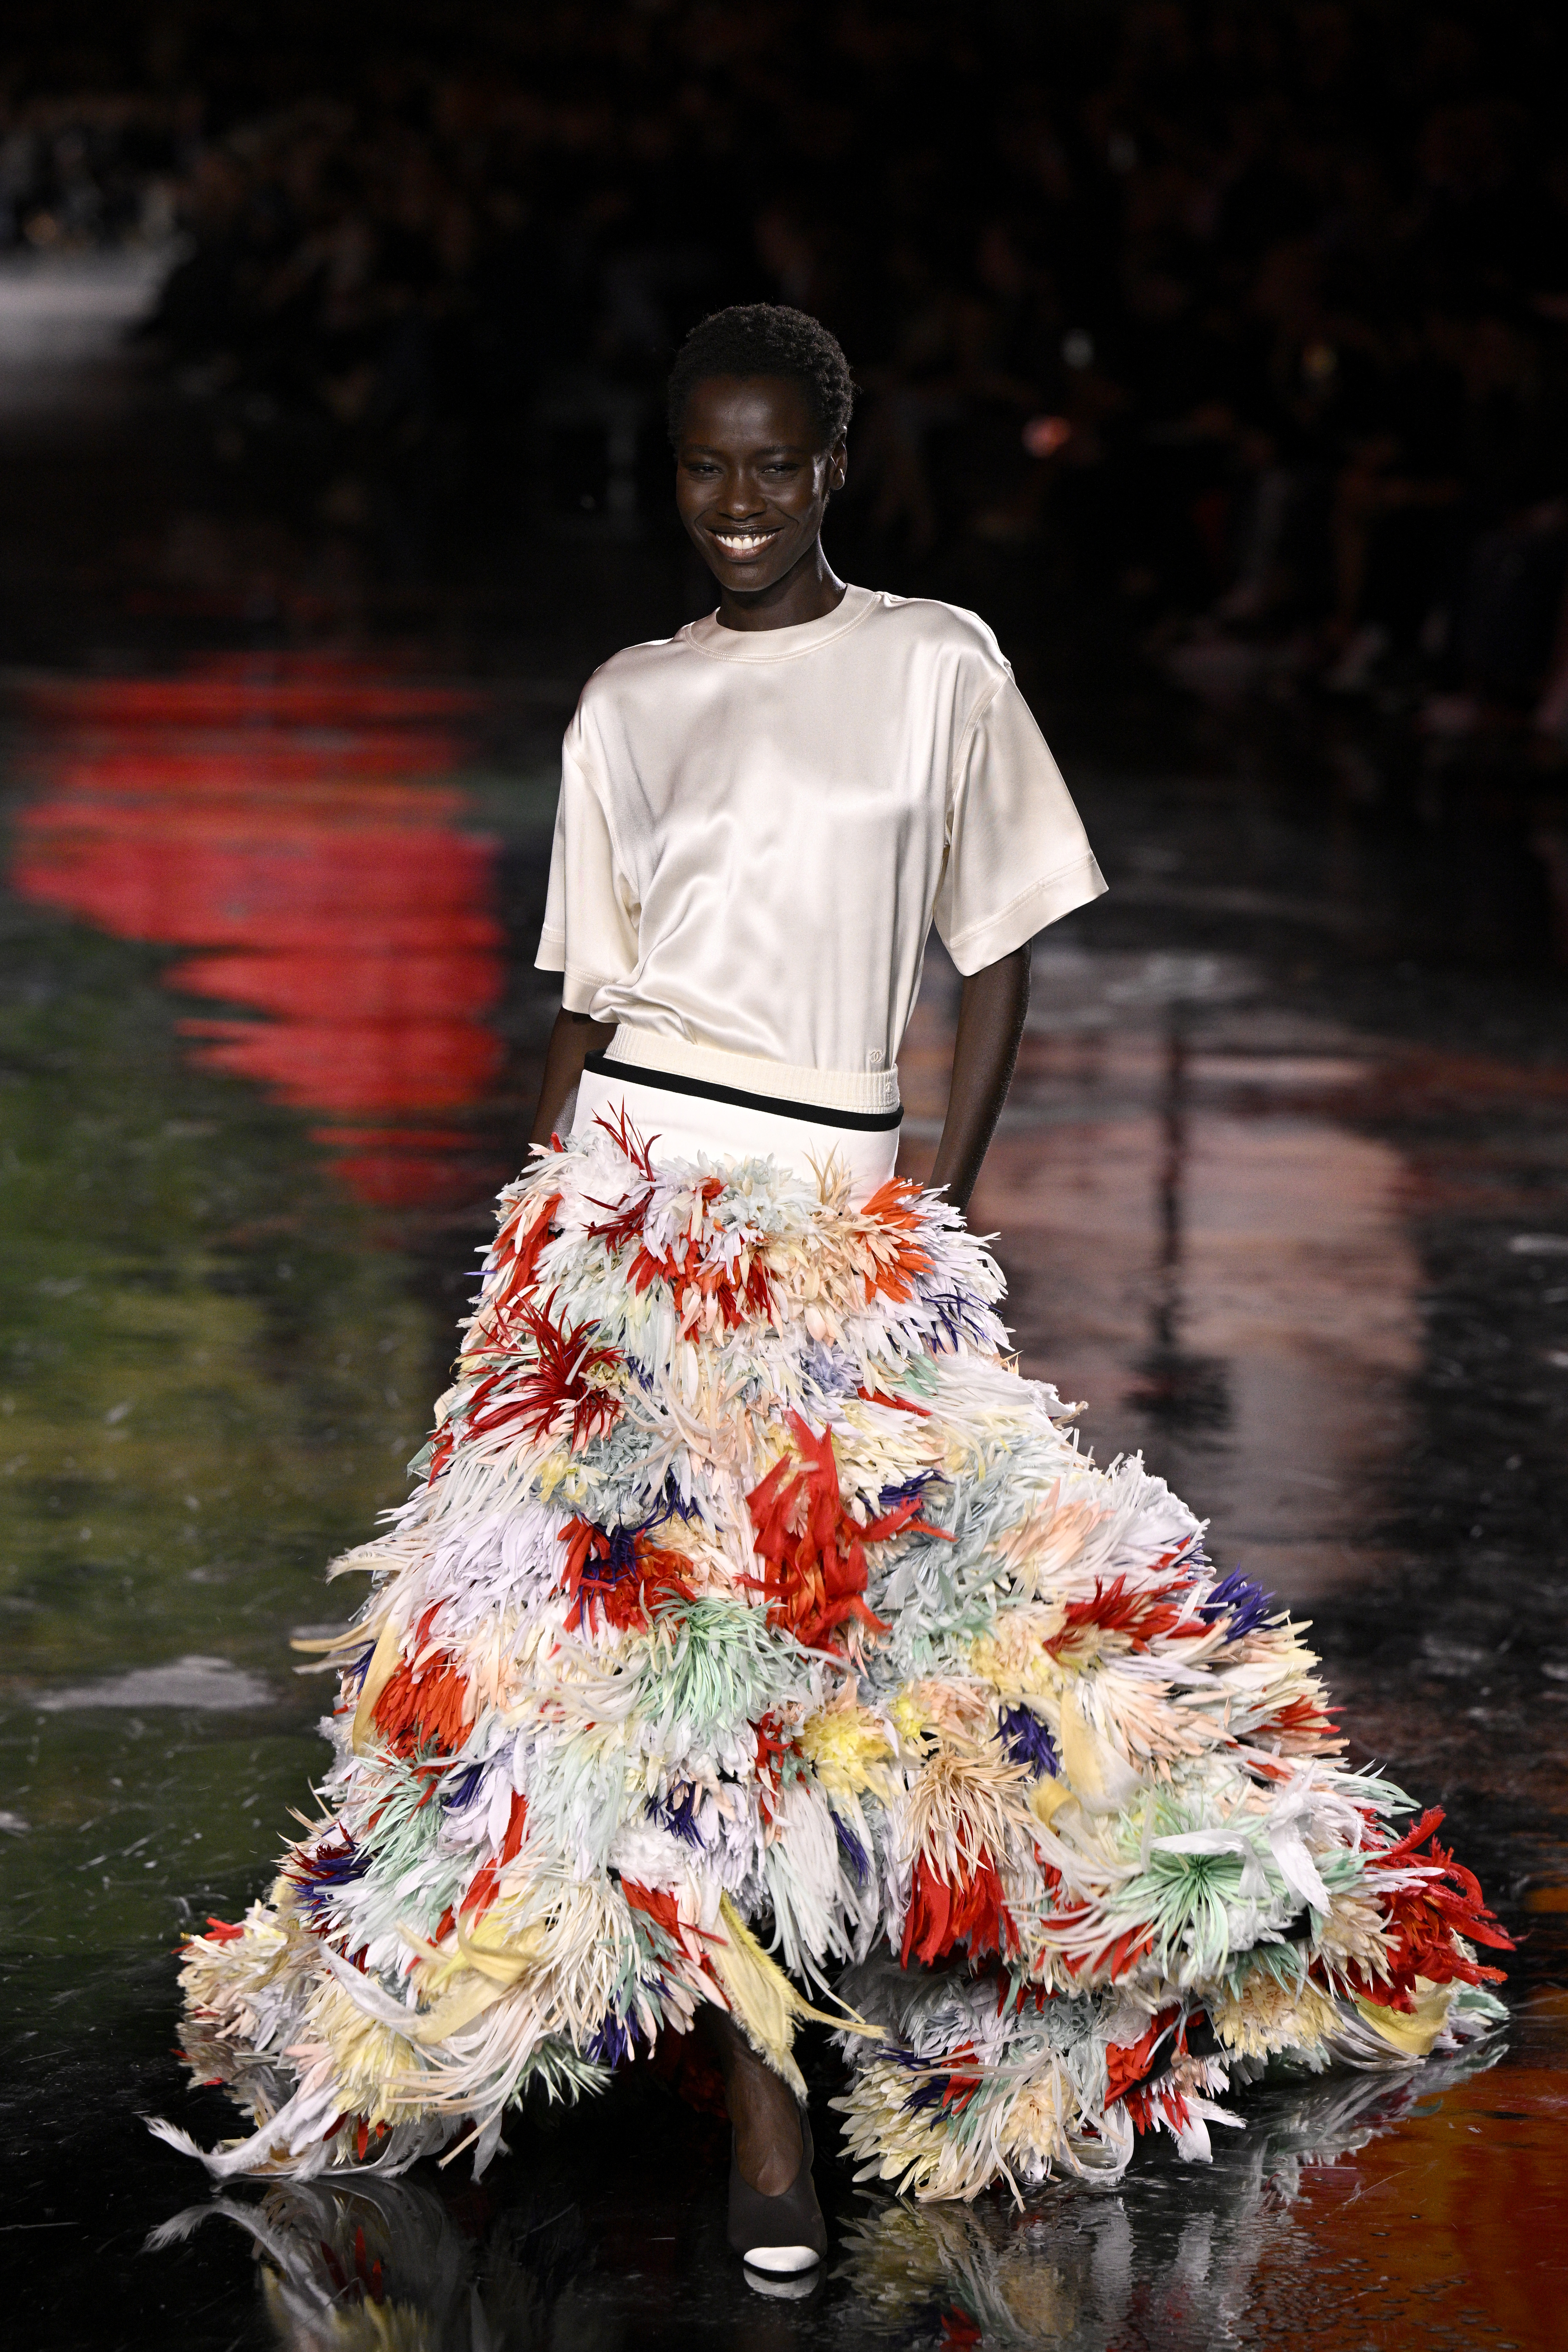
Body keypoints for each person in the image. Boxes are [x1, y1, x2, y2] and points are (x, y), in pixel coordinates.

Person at [156, 305, 1508, 2282]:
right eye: (704, 464)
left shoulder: (937, 662)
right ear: (675, 471)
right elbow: (586, 1005)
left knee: (846, 1666)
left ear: (833, 464)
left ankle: (817, 2072)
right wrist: (519, 1262)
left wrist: (928, 1203)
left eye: (773, 463)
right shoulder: (627, 700)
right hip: (626, 1195)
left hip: (833, 1196)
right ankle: (760, 2121)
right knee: (635, 1669)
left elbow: (1001, 947)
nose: (735, 501)